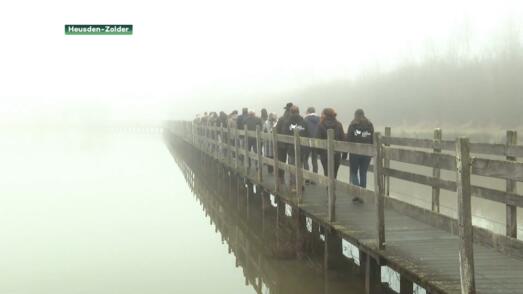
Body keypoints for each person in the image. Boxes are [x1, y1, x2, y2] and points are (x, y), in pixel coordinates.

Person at [346, 109, 374, 195]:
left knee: (353, 173)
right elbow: (372, 139)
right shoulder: (370, 125)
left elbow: (349, 139)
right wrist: (372, 152)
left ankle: (358, 193)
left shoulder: (353, 125)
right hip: (367, 152)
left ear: (355, 115)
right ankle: (363, 194)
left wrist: (345, 153)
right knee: (363, 173)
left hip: (355, 153)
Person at [282, 105, 309, 189]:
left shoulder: (288, 122)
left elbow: (284, 133)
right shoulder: (303, 121)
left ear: (290, 112)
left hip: (291, 148)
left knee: (292, 167)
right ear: (298, 111)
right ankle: (301, 184)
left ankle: (294, 185)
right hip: (302, 148)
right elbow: (307, 133)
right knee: (300, 166)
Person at [316, 108, 344, 179]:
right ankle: (333, 188)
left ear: (324, 115)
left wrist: (319, 152)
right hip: (336, 154)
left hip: (324, 154)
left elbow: (317, 139)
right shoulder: (339, 124)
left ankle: (329, 188)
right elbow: (343, 139)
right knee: (334, 174)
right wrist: (343, 152)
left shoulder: (320, 125)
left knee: (327, 173)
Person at [275, 102, 293, 183]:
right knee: (292, 161)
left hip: (281, 143)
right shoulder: (293, 118)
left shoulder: (281, 118)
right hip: (291, 143)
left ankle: (281, 177)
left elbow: (277, 130)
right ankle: (292, 178)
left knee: (281, 159)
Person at [303, 107, 320, 183]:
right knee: (314, 159)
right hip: (316, 142)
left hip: (307, 142)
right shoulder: (319, 119)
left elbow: (303, 131)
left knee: (305, 159)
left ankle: (307, 177)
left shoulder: (305, 120)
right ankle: (314, 178)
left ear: (308, 112)